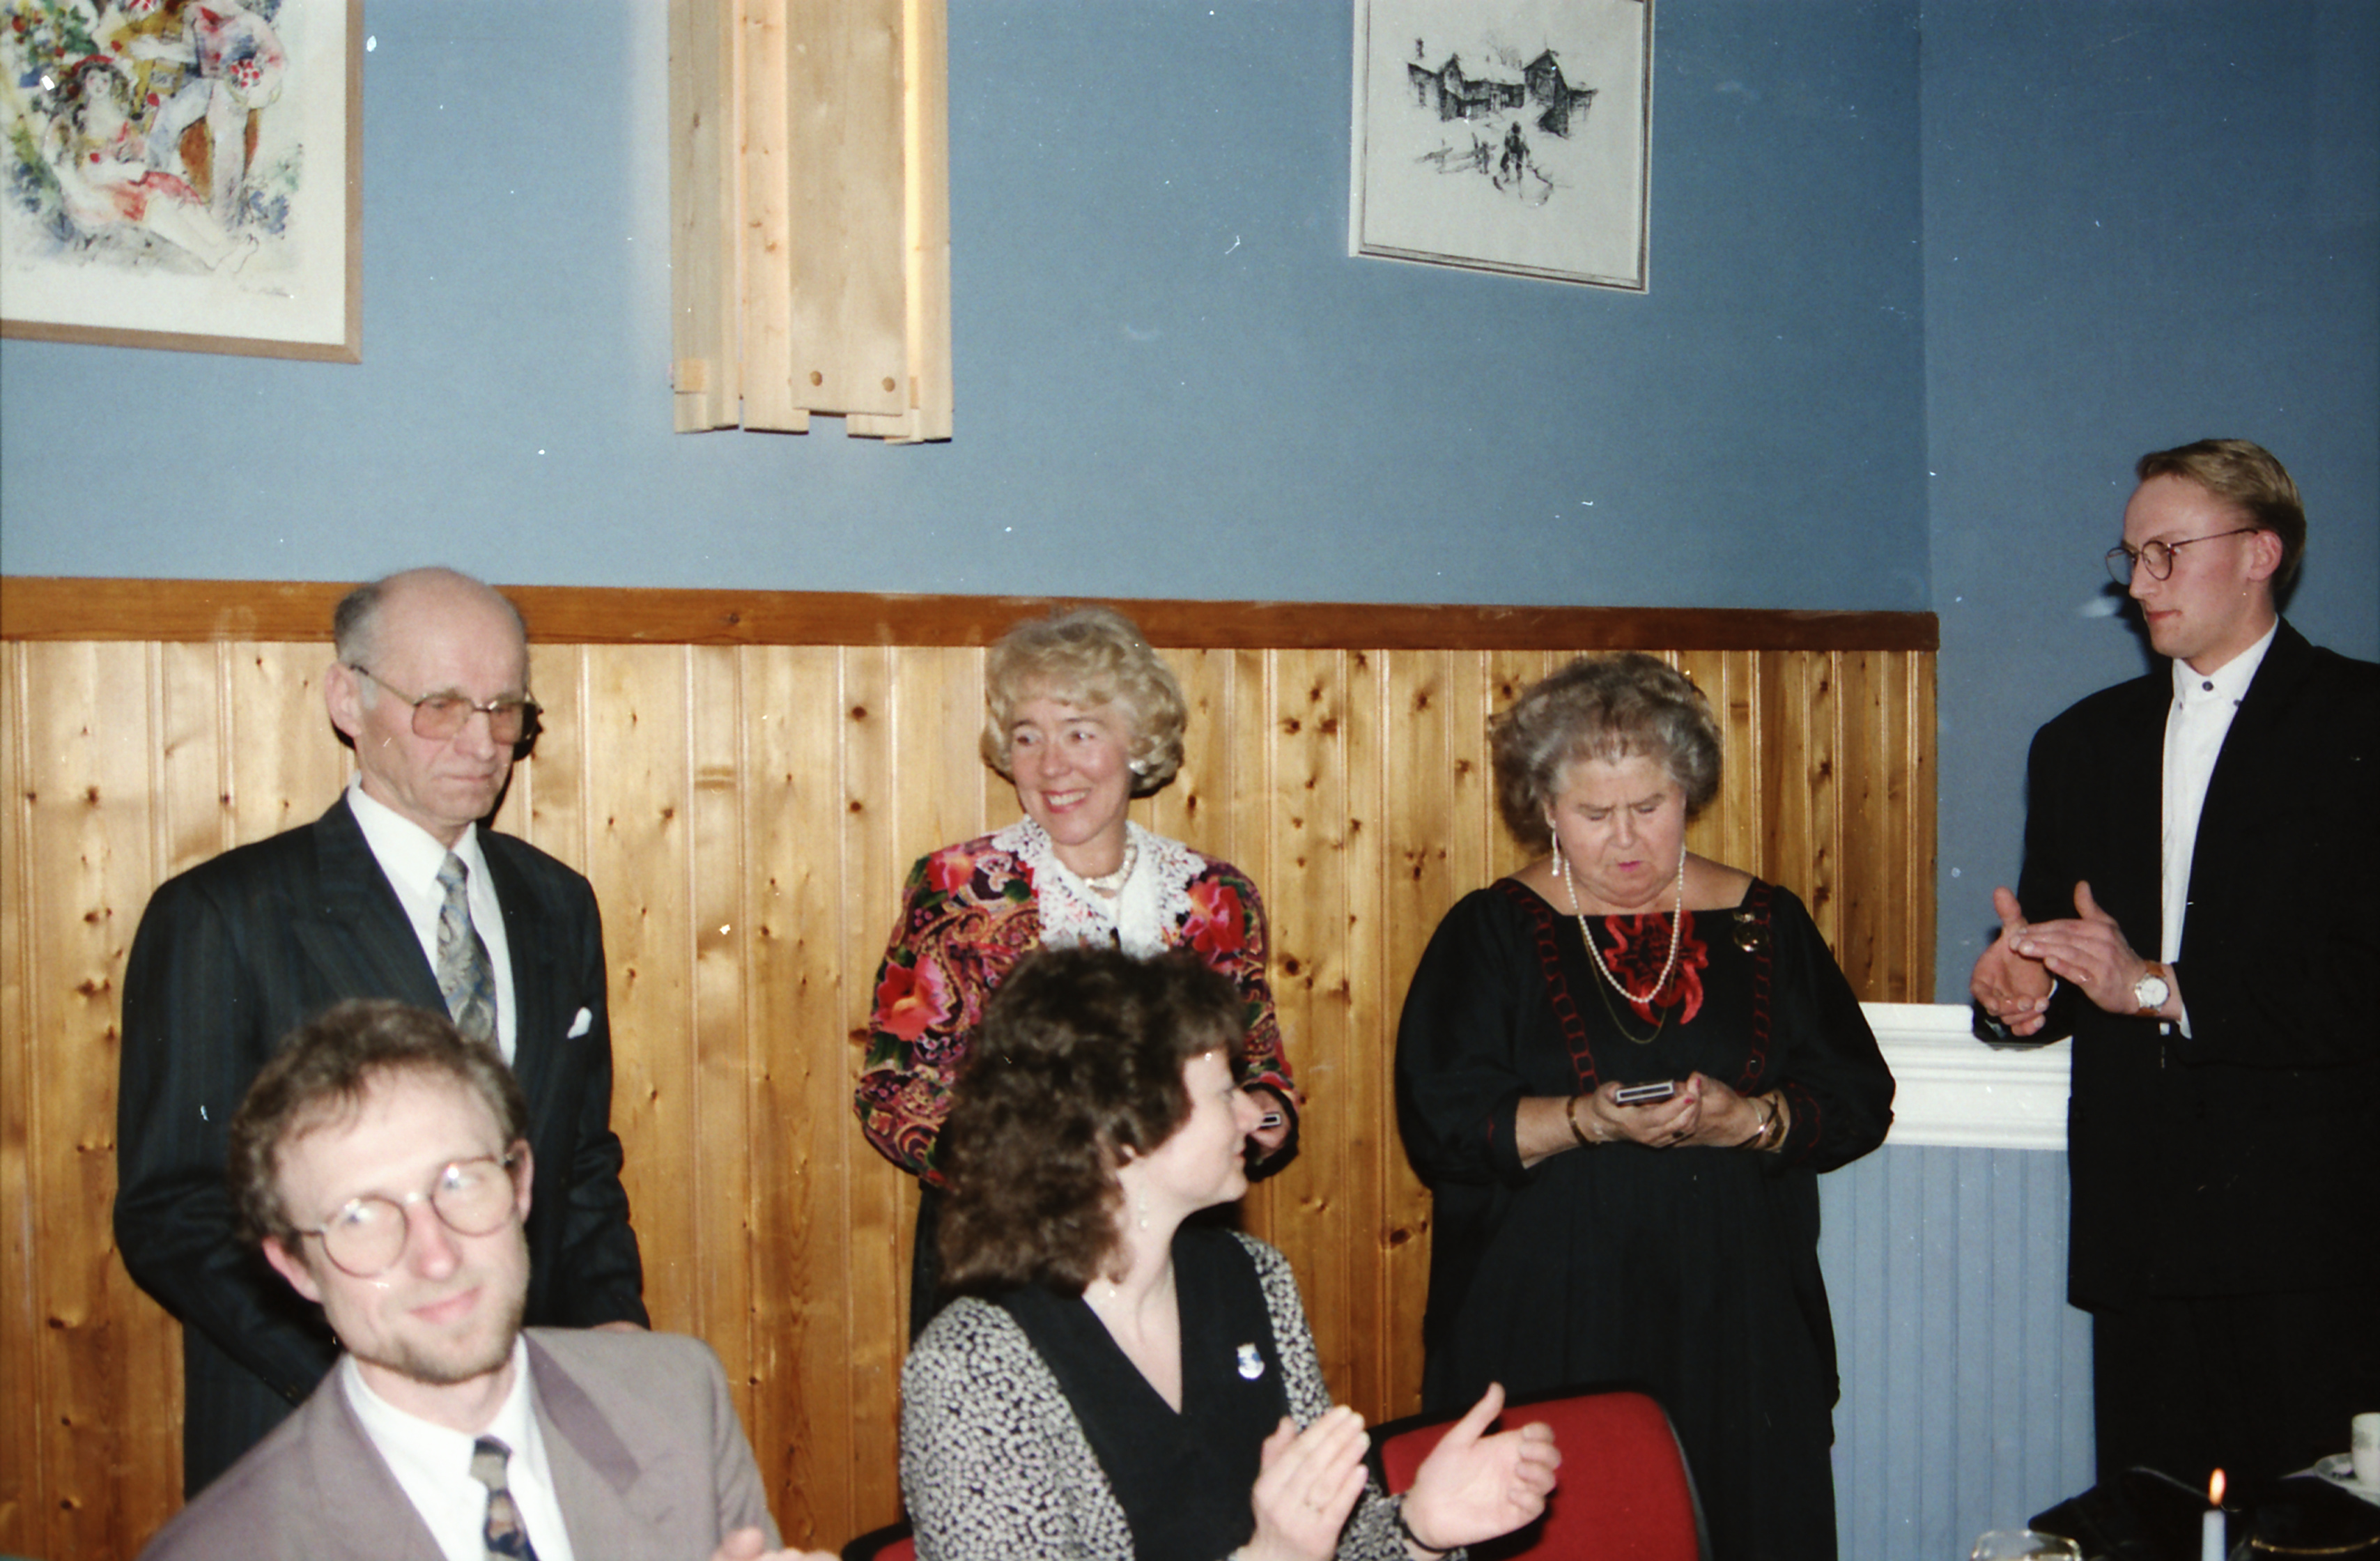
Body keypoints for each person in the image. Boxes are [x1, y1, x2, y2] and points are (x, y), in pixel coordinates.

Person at [116, 567, 647, 1495]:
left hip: (534, 1423)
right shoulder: (224, 915)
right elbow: (176, 1211)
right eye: (440, 706)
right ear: (347, 700)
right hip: (311, 1433)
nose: (481, 743)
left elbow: (580, 1164)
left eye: (505, 709)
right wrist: (375, 1380)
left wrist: (615, 1342)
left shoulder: (557, 903)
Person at [1394, 652, 1894, 1561]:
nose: (1625, 839)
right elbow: (1442, 1125)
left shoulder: (1766, 921)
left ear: (1687, 792)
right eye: (1593, 814)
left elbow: (1858, 1096)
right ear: (1546, 807)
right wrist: (1584, 1119)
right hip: (1548, 1318)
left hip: (1739, 1320)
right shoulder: (1490, 931)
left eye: (1650, 807)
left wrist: (1751, 1120)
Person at [1968, 438, 2379, 1486]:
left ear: (2260, 554)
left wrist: (2158, 988)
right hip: (2140, 1229)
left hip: (2313, 1238)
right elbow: (2070, 964)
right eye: (2131, 557)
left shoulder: (2363, 722)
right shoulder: (2078, 743)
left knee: (2315, 1532)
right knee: (2146, 1524)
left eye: (2167, 553)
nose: (2139, 583)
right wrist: (2023, 991)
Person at [901, 946, 1561, 1560]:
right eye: (1224, 1092)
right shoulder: (971, 1366)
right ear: (1123, 1133)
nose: (1252, 1115)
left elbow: (1332, 1538)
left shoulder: (1254, 1278)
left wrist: (1419, 1529)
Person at [137, 1000, 830, 1561]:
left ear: (520, 1181)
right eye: (360, 1216)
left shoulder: (675, 1398)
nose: (436, 1256)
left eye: (459, 1181)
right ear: (294, 1265)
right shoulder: (229, 1548)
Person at [854, 605, 1297, 1337]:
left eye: (1080, 733)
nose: (1050, 765)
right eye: (1027, 736)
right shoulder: (958, 886)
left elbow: (1263, 1073)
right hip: (1010, 1252)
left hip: (1177, 1245)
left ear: (1138, 743)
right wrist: (1039, 1176)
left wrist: (1265, 1119)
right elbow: (894, 1089)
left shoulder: (1214, 897)